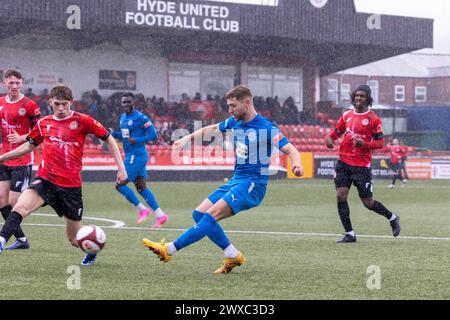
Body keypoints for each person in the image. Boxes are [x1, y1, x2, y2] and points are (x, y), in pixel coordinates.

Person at [142, 85, 304, 274]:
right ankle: (232, 254)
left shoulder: (266, 128)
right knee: (199, 214)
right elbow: (212, 128)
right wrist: (187, 139)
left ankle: (169, 249)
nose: (230, 110)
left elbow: (292, 150)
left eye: (233, 106)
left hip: (253, 184)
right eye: (228, 106)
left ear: (247, 102)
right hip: (237, 180)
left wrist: (297, 165)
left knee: (210, 217)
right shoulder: (234, 122)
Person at [0, 85, 127, 266]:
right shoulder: (43, 123)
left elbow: (109, 138)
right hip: (45, 180)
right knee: (20, 207)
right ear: (50, 102)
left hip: (70, 188)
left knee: (75, 240)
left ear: (71, 103)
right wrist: (3, 158)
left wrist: (121, 169)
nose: (60, 109)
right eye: (57, 104)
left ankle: (91, 249)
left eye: (64, 105)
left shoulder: (83, 120)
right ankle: (2, 241)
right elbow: (29, 145)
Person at [324, 84, 401, 243]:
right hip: (343, 162)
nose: (358, 98)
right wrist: (330, 139)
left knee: (368, 203)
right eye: (356, 95)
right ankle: (350, 234)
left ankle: (392, 218)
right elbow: (337, 132)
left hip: (361, 166)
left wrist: (364, 145)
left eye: (362, 96)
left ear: (368, 99)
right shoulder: (346, 115)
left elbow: (380, 143)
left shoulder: (373, 119)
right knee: (340, 195)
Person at [110, 93, 169, 227]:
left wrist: (137, 140)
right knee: (141, 187)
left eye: (128, 102)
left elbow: (153, 134)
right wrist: (114, 134)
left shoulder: (141, 118)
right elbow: (125, 137)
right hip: (130, 155)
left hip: (137, 155)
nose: (125, 104)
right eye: (123, 102)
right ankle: (161, 215)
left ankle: (143, 210)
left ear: (133, 103)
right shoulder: (123, 118)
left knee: (120, 184)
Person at [0, 69, 41, 250]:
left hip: (22, 160)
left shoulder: (30, 105)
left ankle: (41, 200)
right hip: (4, 159)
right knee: (1, 201)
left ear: (22, 83)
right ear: (5, 84)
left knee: (14, 203)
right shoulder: (0, 103)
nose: (14, 86)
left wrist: (23, 137)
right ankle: (22, 240)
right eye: (11, 83)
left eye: (17, 83)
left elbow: (40, 131)